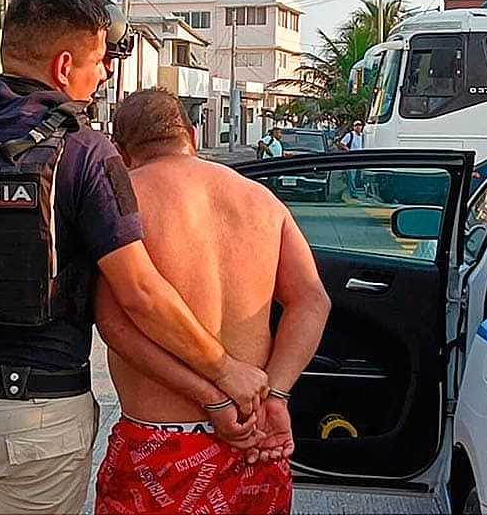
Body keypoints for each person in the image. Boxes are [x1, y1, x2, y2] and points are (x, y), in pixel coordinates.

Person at [0, 0, 267, 515]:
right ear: (64, 65)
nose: (104, 75)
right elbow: (141, 292)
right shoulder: (85, 152)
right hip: (40, 420)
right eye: (99, 62)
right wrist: (226, 369)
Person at [95, 89, 331, 514]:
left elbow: (116, 327)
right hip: (256, 440)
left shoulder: (121, 202)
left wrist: (211, 397)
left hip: (162, 448)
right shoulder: (261, 198)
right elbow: (312, 301)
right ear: (191, 135)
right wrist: (275, 395)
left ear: (121, 151)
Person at [339, 120, 365, 198]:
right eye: (356, 125)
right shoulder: (350, 135)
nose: (358, 127)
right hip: (352, 159)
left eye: (360, 125)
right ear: (353, 127)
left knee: (359, 177)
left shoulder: (363, 136)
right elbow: (342, 143)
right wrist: (349, 151)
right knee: (352, 177)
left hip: (361, 159)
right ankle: (353, 193)